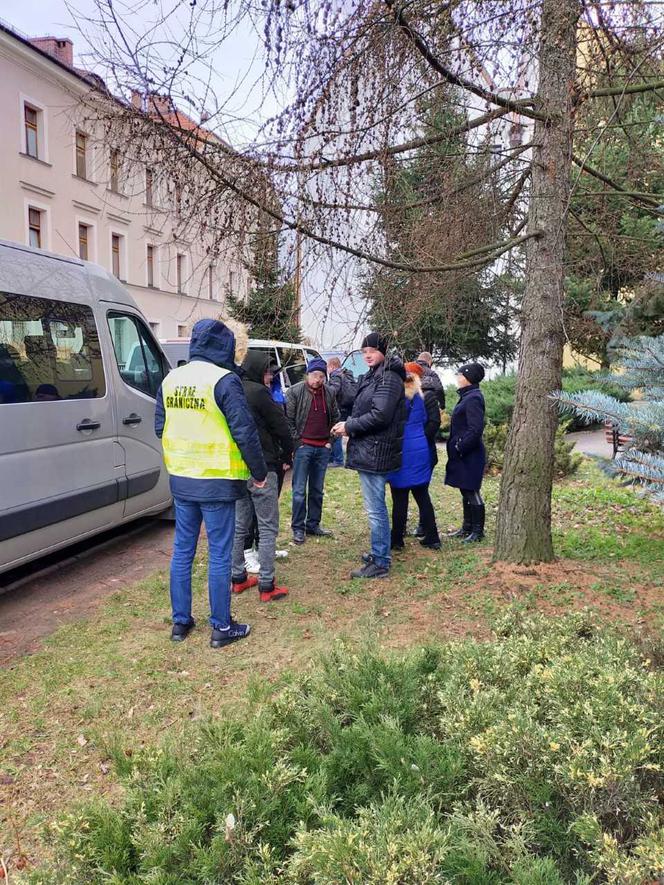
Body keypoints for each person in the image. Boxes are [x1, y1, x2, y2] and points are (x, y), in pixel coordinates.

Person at [155, 319, 268, 648]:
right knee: (219, 554)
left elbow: (160, 426)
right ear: (225, 347)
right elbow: (244, 431)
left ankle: (181, 623)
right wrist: (259, 472)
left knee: (182, 552)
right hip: (217, 481)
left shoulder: (171, 378)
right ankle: (221, 626)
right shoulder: (224, 380)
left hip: (182, 478)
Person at [333, 333, 406, 579]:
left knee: (375, 510)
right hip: (370, 449)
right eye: (364, 351)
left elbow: (380, 415)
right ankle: (379, 552)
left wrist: (349, 426)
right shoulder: (376, 375)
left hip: (377, 451)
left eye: (372, 350)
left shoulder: (388, 378)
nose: (367, 355)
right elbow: (358, 403)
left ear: (383, 351)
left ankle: (381, 562)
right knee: (374, 507)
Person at [231, 350, 293, 603]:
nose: (270, 377)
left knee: (238, 526)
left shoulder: (231, 388)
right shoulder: (258, 393)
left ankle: (237, 578)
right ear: (257, 369)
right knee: (267, 527)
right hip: (264, 467)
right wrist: (289, 453)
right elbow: (281, 427)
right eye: (267, 371)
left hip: (236, 468)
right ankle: (267, 584)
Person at [387, 362, 441, 550]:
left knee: (399, 498)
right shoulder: (421, 397)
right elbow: (428, 422)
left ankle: (397, 539)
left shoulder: (397, 398)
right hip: (420, 451)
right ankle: (433, 537)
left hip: (402, 451)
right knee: (422, 495)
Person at [286, 357, 340, 544]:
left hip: (322, 447)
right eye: (315, 375)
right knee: (299, 490)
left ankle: (313, 524)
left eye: (321, 376)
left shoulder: (329, 393)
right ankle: (298, 528)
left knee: (317, 490)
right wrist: (297, 443)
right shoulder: (295, 392)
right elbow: (289, 420)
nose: (318, 379)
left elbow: (336, 417)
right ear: (308, 374)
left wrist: (330, 441)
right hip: (304, 447)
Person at [445, 362, 486, 543]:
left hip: (470, 454)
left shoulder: (474, 398)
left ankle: (478, 532)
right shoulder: (467, 396)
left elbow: (475, 429)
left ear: (468, 378)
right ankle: (467, 527)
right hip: (464, 454)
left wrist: (460, 446)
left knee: (471, 490)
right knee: (465, 489)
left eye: (460, 375)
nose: (457, 378)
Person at [327, 356, 357, 467]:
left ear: (332, 366)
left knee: (336, 432)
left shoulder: (335, 376)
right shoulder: (347, 374)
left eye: (328, 367)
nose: (327, 369)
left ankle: (338, 460)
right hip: (349, 406)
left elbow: (333, 391)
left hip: (340, 407)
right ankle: (335, 458)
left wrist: (325, 390)